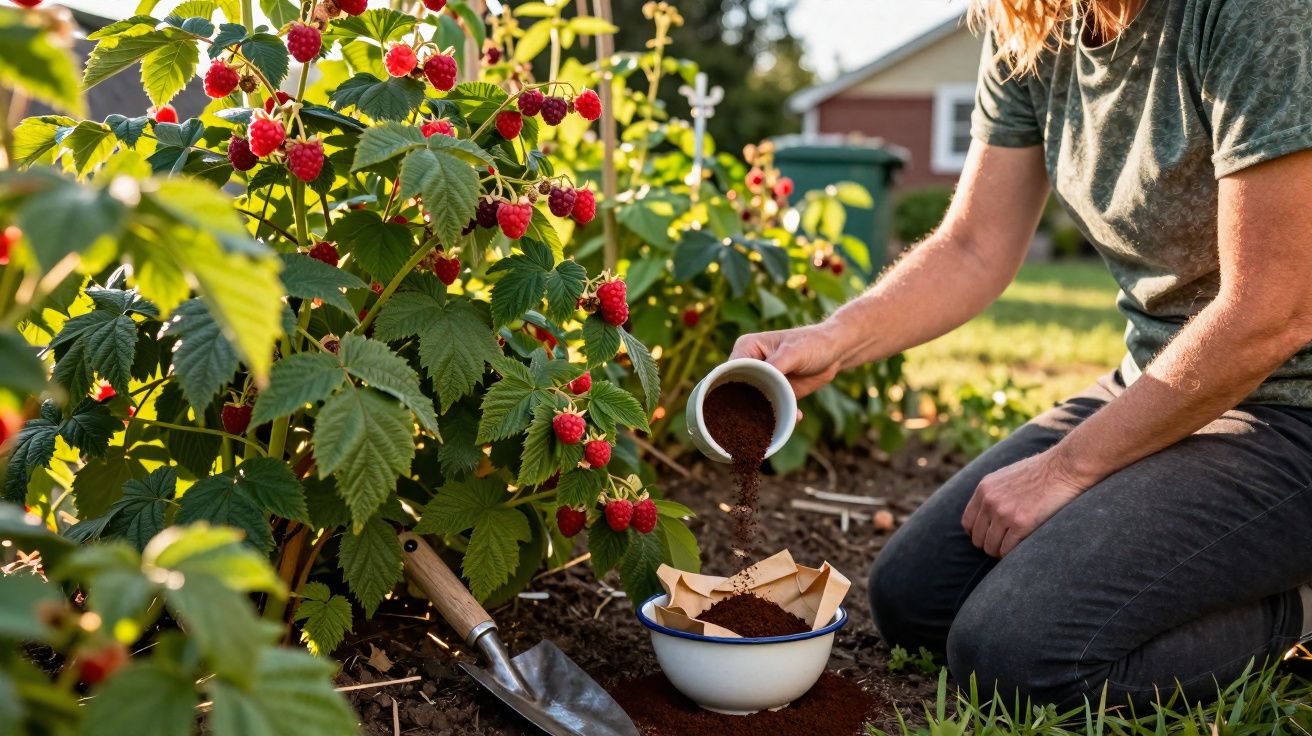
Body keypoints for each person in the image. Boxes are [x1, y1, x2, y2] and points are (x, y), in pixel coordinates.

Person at [731, 0, 1312, 709]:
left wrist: (1066, 467)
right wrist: (835, 338)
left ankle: (1301, 611)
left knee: (1020, 654)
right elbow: (974, 245)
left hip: (1293, 409)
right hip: (1164, 379)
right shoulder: (1033, 22)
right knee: (918, 600)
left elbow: (1270, 312)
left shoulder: (1254, 15)